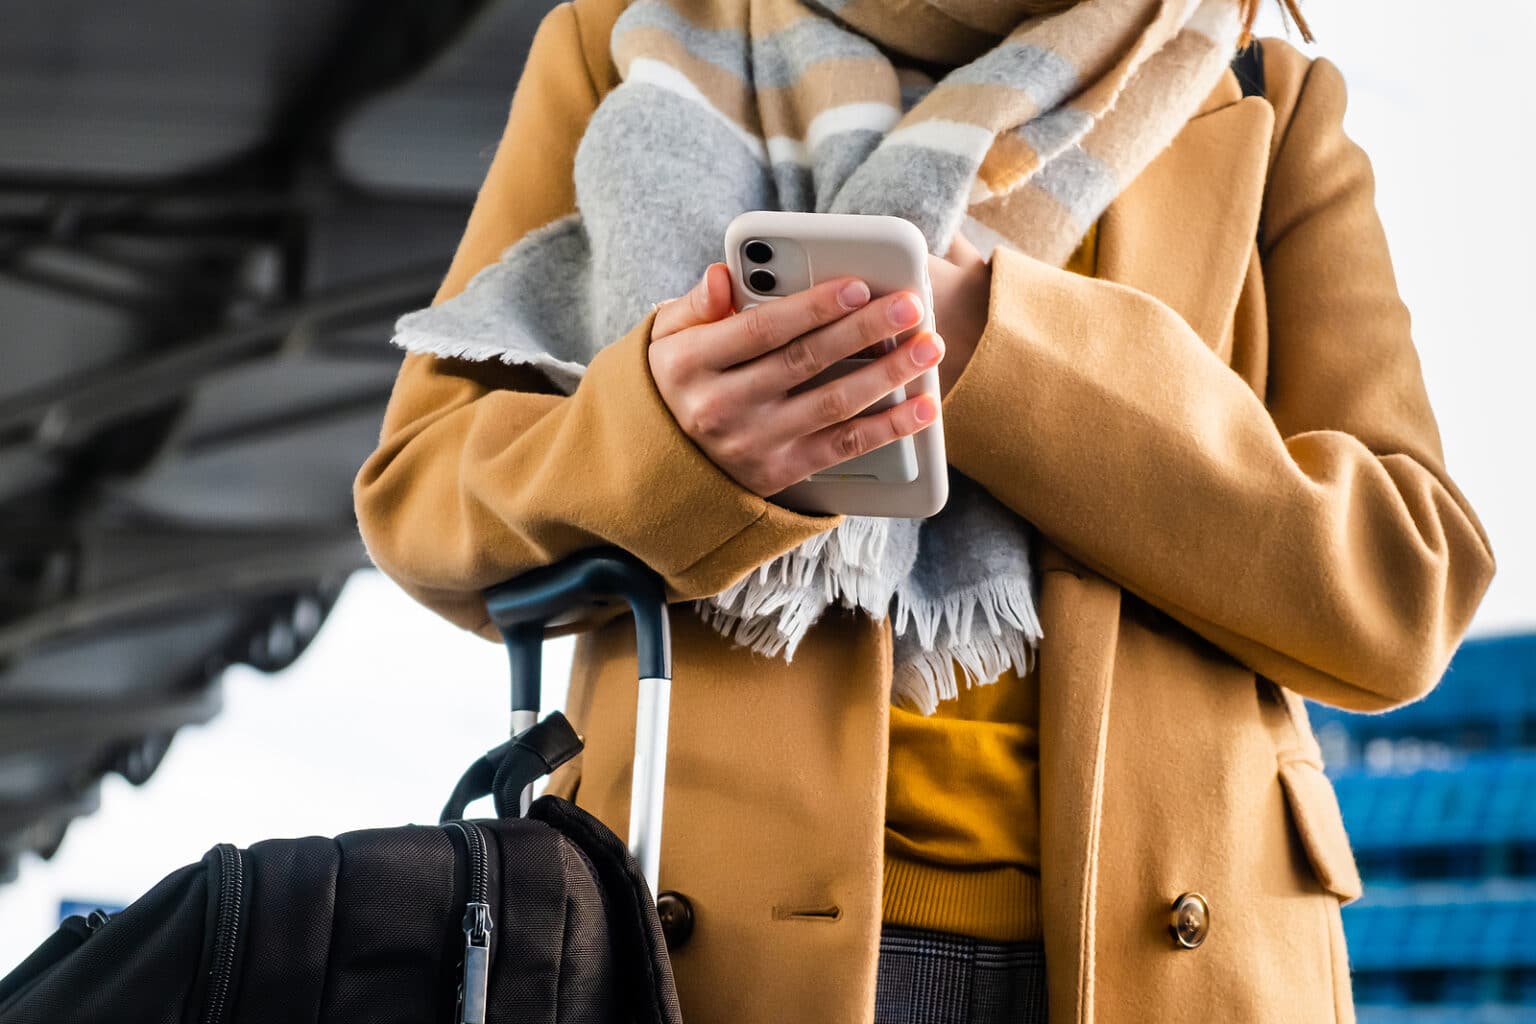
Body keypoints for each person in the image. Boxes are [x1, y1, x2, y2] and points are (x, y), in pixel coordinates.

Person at [354, 0, 1497, 1020]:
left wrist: (992, 344)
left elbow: (1405, 583)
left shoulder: (1253, 89)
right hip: (694, 952)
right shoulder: (620, 38)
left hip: (1178, 960)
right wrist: (657, 436)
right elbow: (421, 496)